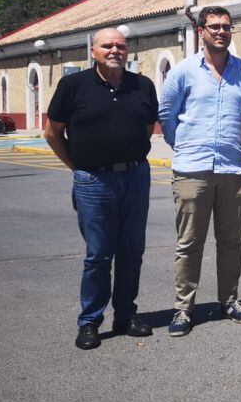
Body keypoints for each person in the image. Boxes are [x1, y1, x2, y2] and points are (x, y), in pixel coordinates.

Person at [44, 27, 158, 350]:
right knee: (98, 255)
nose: (115, 51)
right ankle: (90, 320)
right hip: (93, 181)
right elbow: (52, 133)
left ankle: (125, 315)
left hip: (135, 178)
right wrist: (78, 166)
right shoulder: (73, 86)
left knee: (132, 250)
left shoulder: (143, 86)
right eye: (107, 45)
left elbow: (147, 128)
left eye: (121, 46)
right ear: (93, 50)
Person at [159, 6, 241, 337]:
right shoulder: (183, 71)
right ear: (200, 31)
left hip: (233, 168)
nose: (221, 31)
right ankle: (183, 308)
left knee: (231, 242)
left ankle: (229, 300)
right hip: (192, 170)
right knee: (189, 243)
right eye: (214, 26)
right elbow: (167, 115)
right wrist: (185, 148)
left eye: (226, 27)